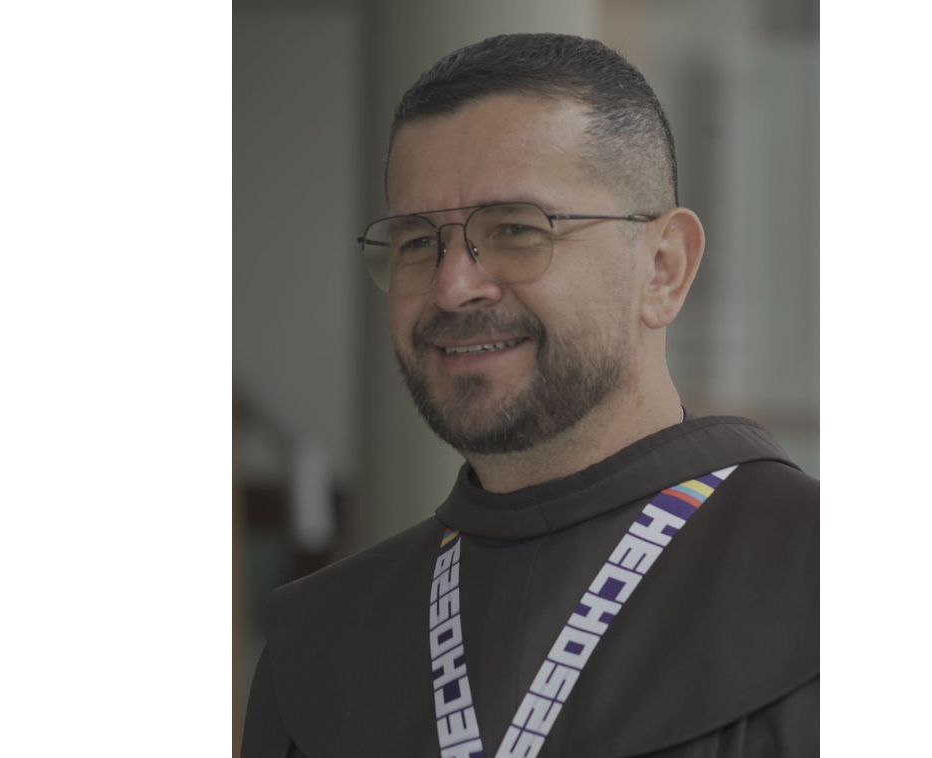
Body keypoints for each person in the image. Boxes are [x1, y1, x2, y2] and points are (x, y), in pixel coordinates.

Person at [241, 33, 818, 758]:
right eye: (419, 241)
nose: (453, 285)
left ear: (663, 268)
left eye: (516, 229)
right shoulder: (320, 642)